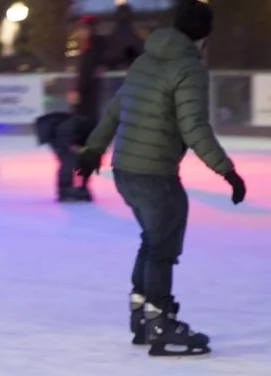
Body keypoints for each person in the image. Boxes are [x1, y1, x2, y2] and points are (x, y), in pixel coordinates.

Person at [77, 0, 245, 357]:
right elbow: (194, 126)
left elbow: (115, 109)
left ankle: (142, 312)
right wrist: (226, 169)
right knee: (161, 244)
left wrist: (93, 150)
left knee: (153, 240)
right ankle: (159, 322)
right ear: (204, 34)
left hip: (126, 169)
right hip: (153, 173)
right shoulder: (189, 68)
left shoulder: (145, 60)